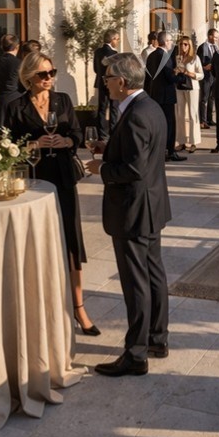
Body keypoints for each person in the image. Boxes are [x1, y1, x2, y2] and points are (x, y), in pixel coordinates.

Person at [85, 52, 170, 377]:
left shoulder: (135, 114)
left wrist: (102, 168)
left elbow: (134, 169)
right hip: (150, 205)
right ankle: (157, 339)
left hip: (133, 209)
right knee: (153, 274)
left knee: (136, 283)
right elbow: (141, 154)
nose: (104, 83)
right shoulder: (149, 106)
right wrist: (109, 149)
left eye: (107, 78)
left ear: (121, 82)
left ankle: (135, 354)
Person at [6, 51, 98, 336]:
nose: (49, 78)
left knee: (71, 241)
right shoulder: (15, 107)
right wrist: (34, 145)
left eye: (52, 73)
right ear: (28, 77)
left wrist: (66, 141)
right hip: (33, 178)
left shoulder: (63, 101)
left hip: (63, 176)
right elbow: (6, 146)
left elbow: (77, 134)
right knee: (36, 242)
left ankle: (79, 307)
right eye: (43, 74)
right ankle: (40, 307)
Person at [145, 31, 184, 162]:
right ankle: (169, 152)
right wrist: (181, 76)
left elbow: (148, 77)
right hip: (166, 96)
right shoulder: (165, 56)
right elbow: (169, 77)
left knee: (157, 124)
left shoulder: (151, 56)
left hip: (154, 95)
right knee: (169, 124)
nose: (172, 43)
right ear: (166, 42)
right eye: (170, 40)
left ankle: (158, 151)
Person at [0, 33, 21, 129]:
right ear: (17, 47)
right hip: (15, 101)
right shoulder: (19, 63)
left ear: (1, 46)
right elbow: (24, 85)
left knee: (2, 136)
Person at [174, 35, 203, 152]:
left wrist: (188, 73)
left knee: (192, 114)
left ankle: (194, 141)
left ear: (189, 45)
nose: (183, 46)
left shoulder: (195, 58)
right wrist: (175, 71)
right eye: (181, 44)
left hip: (192, 87)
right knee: (180, 114)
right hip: (179, 87)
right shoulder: (178, 58)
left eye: (185, 44)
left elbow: (201, 74)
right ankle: (181, 141)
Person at [93, 28, 121, 140]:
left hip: (101, 83)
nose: (118, 41)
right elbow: (116, 71)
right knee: (114, 109)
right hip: (112, 84)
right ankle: (113, 133)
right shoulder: (114, 54)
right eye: (117, 39)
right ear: (112, 39)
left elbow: (95, 69)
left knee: (102, 109)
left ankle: (102, 134)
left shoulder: (97, 52)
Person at [197, 27, 218, 129]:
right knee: (204, 98)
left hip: (214, 77)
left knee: (211, 98)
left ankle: (210, 119)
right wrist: (205, 67)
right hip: (205, 77)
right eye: (215, 37)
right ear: (210, 36)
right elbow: (198, 62)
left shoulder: (216, 48)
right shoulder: (202, 47)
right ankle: (202, 120)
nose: (217, 39)